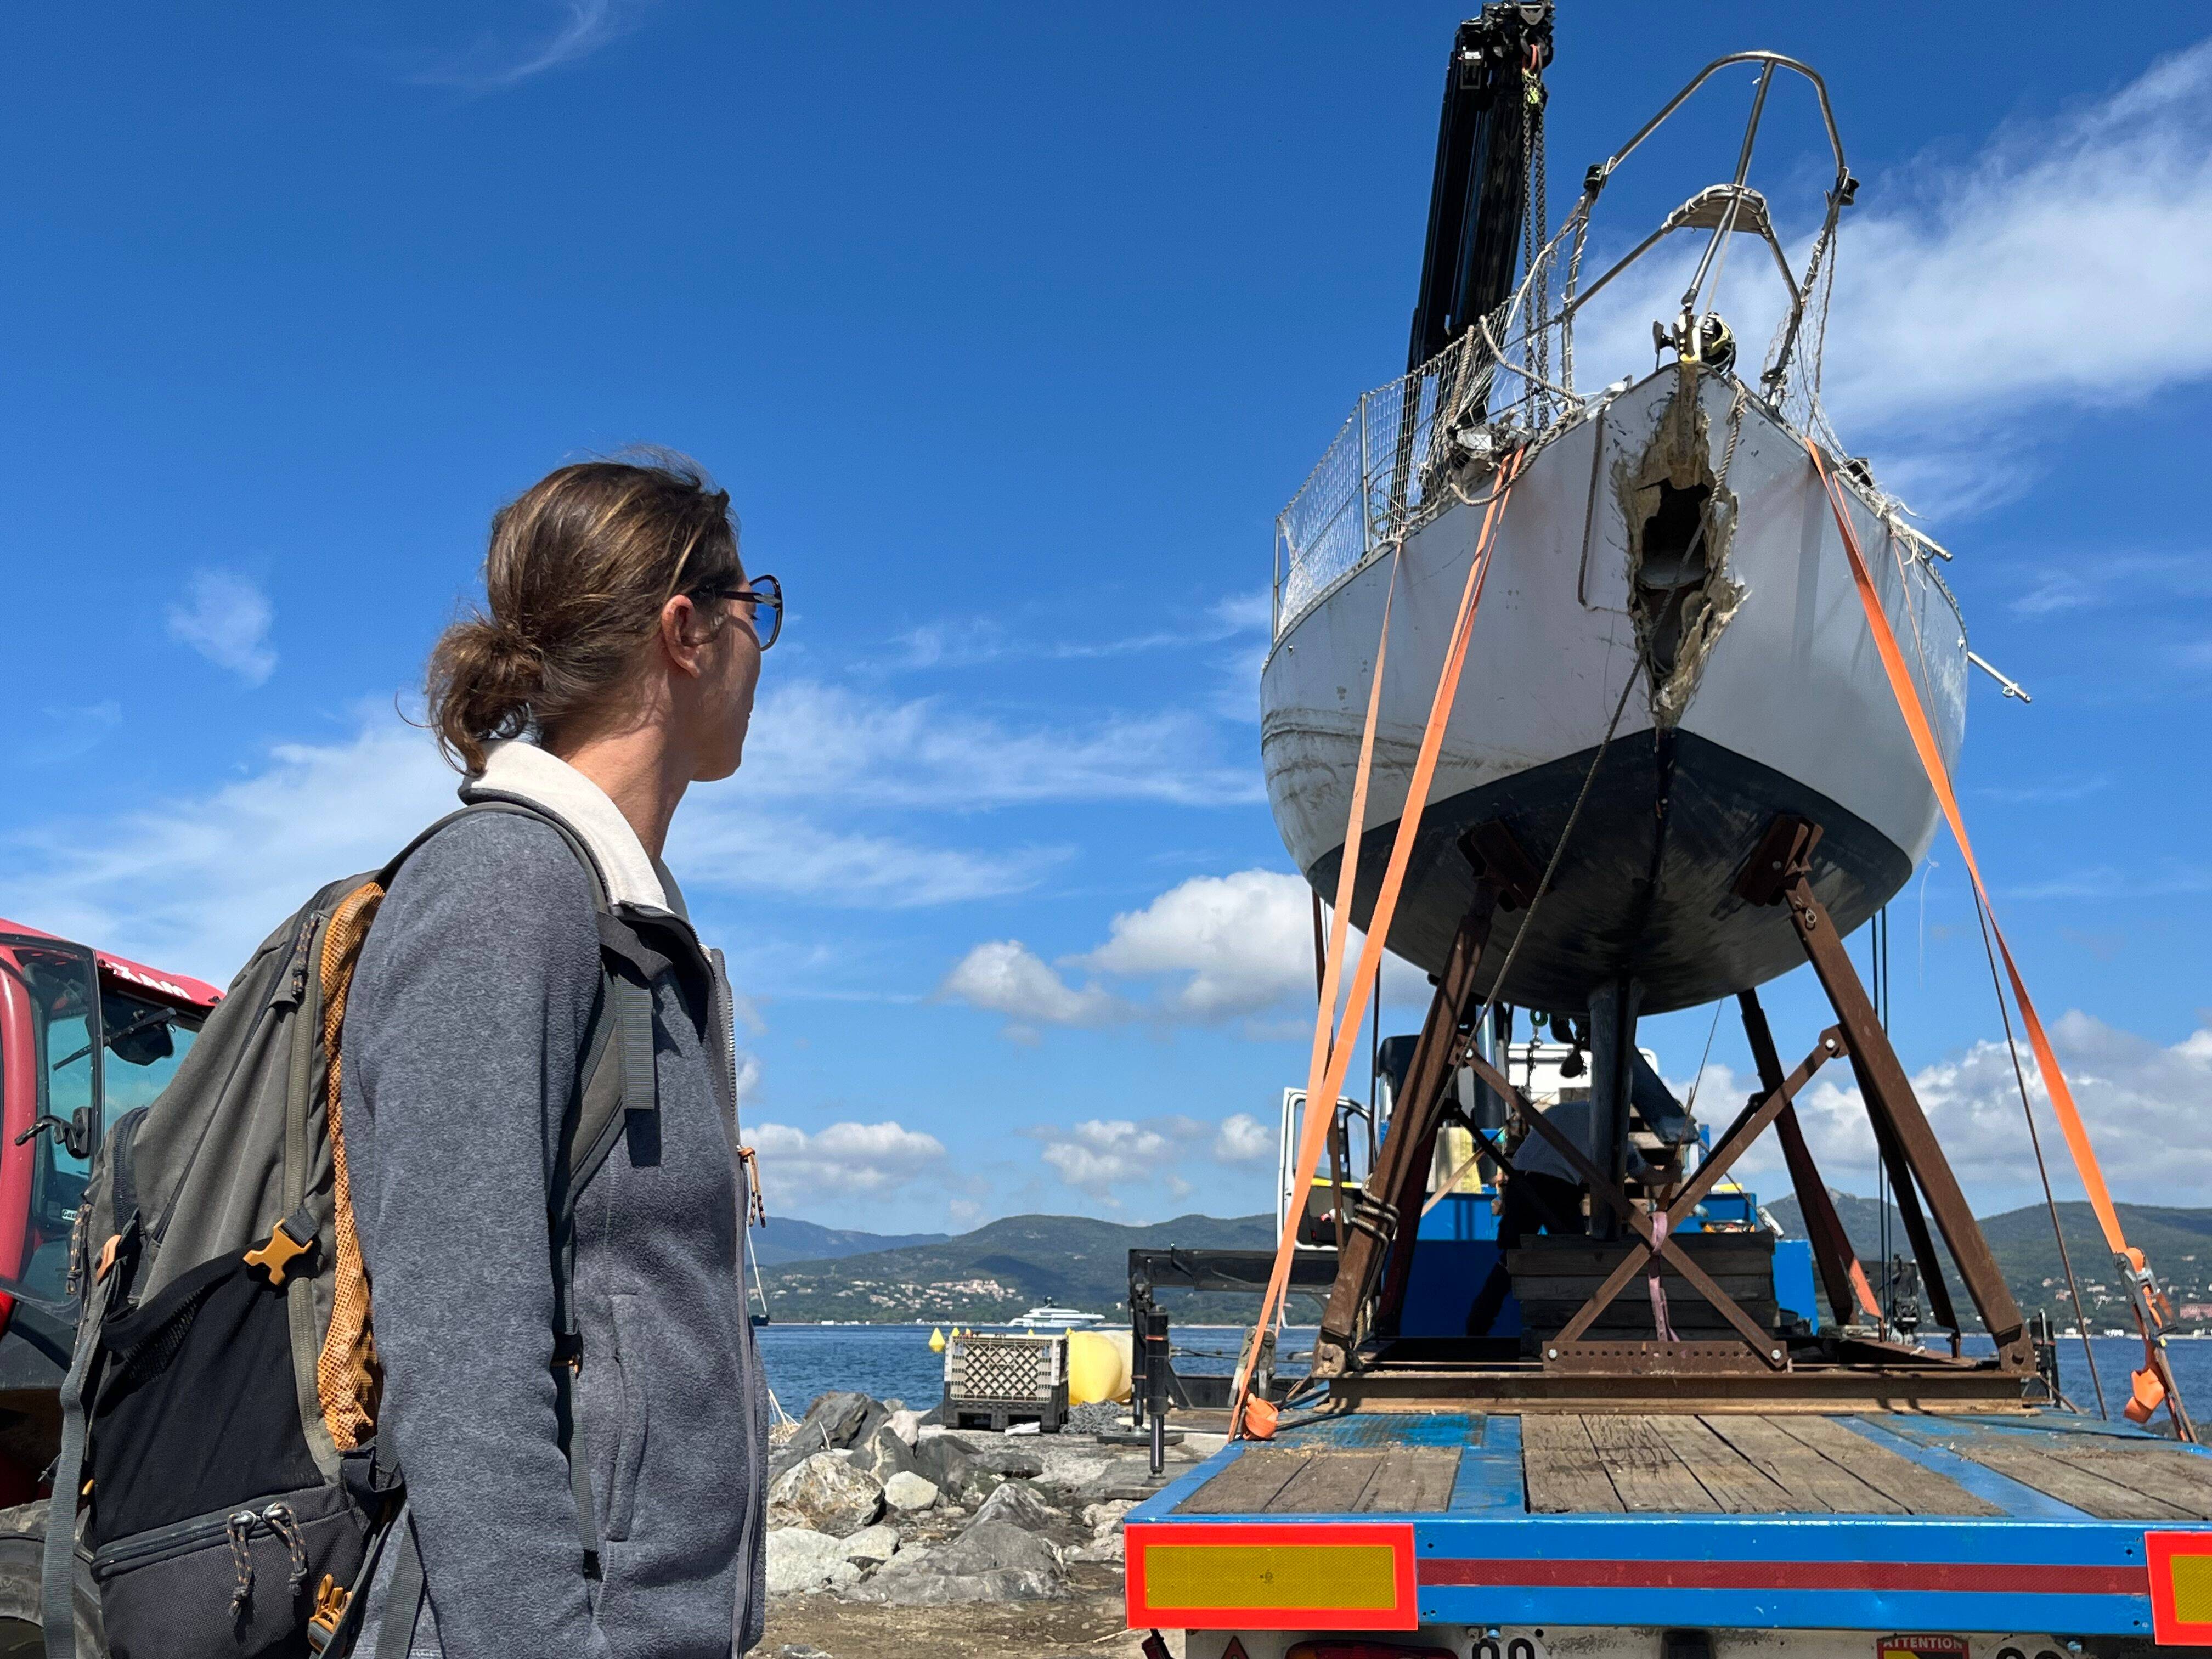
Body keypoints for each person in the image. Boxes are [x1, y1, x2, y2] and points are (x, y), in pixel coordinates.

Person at [344, 454, 779, 1657]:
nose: (764, 650)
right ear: (685, 631)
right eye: (760, 612)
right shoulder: (501, 895)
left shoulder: (620, 917)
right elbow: (464, 1357)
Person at [1464, 1050, 1695, 1337]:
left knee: (1509, 1257)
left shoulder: (1563, 1111)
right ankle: (1577, 1328)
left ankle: (1477, 1327)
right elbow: (1642, 1174)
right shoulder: (1610, 1130)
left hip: (1520, 1181)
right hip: (1555, 1186)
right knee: (1575, 1255)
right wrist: (1669, 1176)